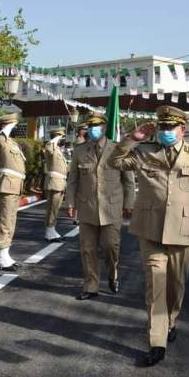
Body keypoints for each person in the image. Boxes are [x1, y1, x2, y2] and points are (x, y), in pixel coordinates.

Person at [107, 105, 189, 367]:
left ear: (182, 129)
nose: (165, 131)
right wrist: (133, 138)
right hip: (149, 229)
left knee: (176, 285)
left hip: (182, 230)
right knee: (156, 283)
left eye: (170, 127)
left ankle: (171, 320)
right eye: (162, 127)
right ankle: (157, 342)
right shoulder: (144, 152)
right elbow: (114, 161)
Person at [65, 112, 134, 300]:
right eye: (90, 127)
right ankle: (90, 286)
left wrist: (129, 203)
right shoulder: (80, 151)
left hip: (112, 208)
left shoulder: (118, 149)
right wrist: (70, 202)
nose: (92, 130)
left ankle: (113, 274)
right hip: (87, 207)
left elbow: (128, 180)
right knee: (87, 249)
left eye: (96, 127)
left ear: (104, 128)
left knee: (111, 246)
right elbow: (72, 180)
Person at [0, 112, 26, 271]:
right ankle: (1, 258)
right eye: (13, 125)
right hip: (6, 185)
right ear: (6, 126)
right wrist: (4, 131)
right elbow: (1, 147)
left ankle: (5, 254)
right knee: (5, 221)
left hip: (14, 186)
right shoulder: (0, 140)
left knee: (11, 220)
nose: (16, 128)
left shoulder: (12, 142)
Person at [43, 127, 69, 241]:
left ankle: (52, 229)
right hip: (54, 182)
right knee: (52, 208)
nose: (63, 139)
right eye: (62, 137)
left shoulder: (58, 150)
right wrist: (54, 140)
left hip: (60, 183)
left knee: (55, 208)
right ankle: (49, 231)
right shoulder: (51, 148)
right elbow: (48, 148)